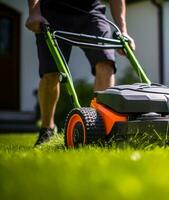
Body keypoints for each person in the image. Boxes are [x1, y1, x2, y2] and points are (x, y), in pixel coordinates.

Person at [26, 0, 135, 146]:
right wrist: (34, 12)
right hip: (52, 12)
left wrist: (123, 31)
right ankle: (47, 128)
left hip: (90, 12)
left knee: (106, 62)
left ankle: (100, 128)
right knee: (51, 73)